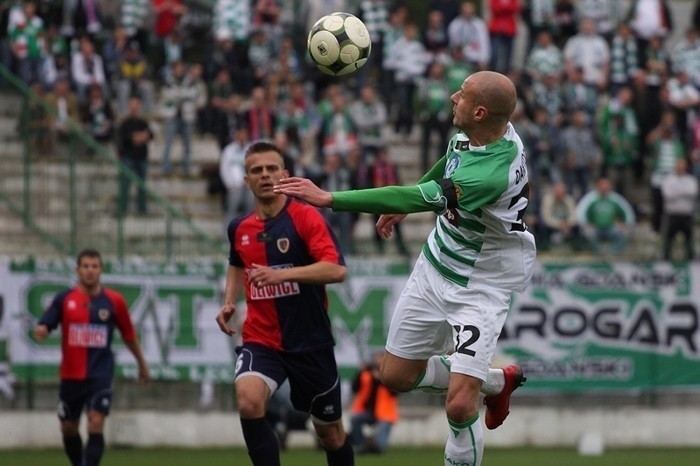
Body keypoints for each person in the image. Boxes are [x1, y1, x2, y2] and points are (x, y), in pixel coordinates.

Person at [275, 70, 535, 466]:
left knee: (460, 406)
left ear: (480, 111)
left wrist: (329, 197)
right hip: (435, 265)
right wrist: (398, 207)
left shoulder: (492, 171)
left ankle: (475, 394)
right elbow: (447, 166)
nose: (451, 97)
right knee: (394, 376)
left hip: (482, 284)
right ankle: (496, 381)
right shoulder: (479, 133)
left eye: (461, 95)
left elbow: (435, 190)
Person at [214, 141, 354, 466]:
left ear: (285, 174)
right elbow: (237, 262)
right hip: (262, 339)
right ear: (246, 180)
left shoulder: (306, 218)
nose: (264, 175)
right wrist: (228, 301)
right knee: (249, 402)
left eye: (271, 168)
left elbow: (336, 269)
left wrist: (282, 276)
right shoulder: (239, 228)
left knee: (331, 435)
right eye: (256, 170)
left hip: (310, 342)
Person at [33, 249, 149, 466]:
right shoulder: (64, 299)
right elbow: (46, 322)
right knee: (68, 427)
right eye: (85, 266)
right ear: (78, 270)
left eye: (94, 266)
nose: (90, 271)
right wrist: (42, 329)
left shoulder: (114, 301)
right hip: (71, 374)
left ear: (101, 270)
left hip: (100, 372)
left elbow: (129, 336)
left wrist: (142, 364)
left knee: (96, 421)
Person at [350, 352, 399, 455]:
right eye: (377, 357)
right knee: (355, 419)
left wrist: (381, 379)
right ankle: (360, 445)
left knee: (383, 427)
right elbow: (355, 388)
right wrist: (360, 372)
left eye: (381, 357)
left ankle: (377, 447)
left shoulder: (390, 374)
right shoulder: (365, 373)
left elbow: (395, 392)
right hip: (367, 411)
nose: (378, 360)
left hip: (384, 413)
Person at [576, 177, 636, 255]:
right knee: (587, 234)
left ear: (610, 187)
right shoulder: (590, 198)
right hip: (595, 228)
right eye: (602, 186)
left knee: (624, 233)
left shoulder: (616, 199)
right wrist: (586, 224)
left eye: (606, 186)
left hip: (610, 227)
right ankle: (597, 253)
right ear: (598, 186)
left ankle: (613, 254)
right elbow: (580, 214)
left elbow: (628, 213)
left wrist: (625, 225)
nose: (604, 188)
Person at [117, 96, 153, 215]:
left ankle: (142, 210)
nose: (134, 108)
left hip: (141, 158)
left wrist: (137, 137)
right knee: (125, 185)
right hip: (129, 158)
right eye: (132, 106)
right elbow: (126, 138)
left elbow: (150, 135)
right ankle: (122, 209)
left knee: (141, 186)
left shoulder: (143, 122)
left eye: (136, 106)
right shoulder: (125, 123)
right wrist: (139, 137)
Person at [661, 158, 698, 261]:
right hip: (672, 213)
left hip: (686, 213)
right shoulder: (669, 179)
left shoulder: (691, 179)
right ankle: (665, 257)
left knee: (689, 237)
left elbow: (693, 193)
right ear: (675, 167)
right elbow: (668, 194)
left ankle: (691, 257)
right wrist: (683, 192)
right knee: (668, 237)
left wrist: (676, 191)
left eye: (683, 166)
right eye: (679, 166)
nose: (681, 168)